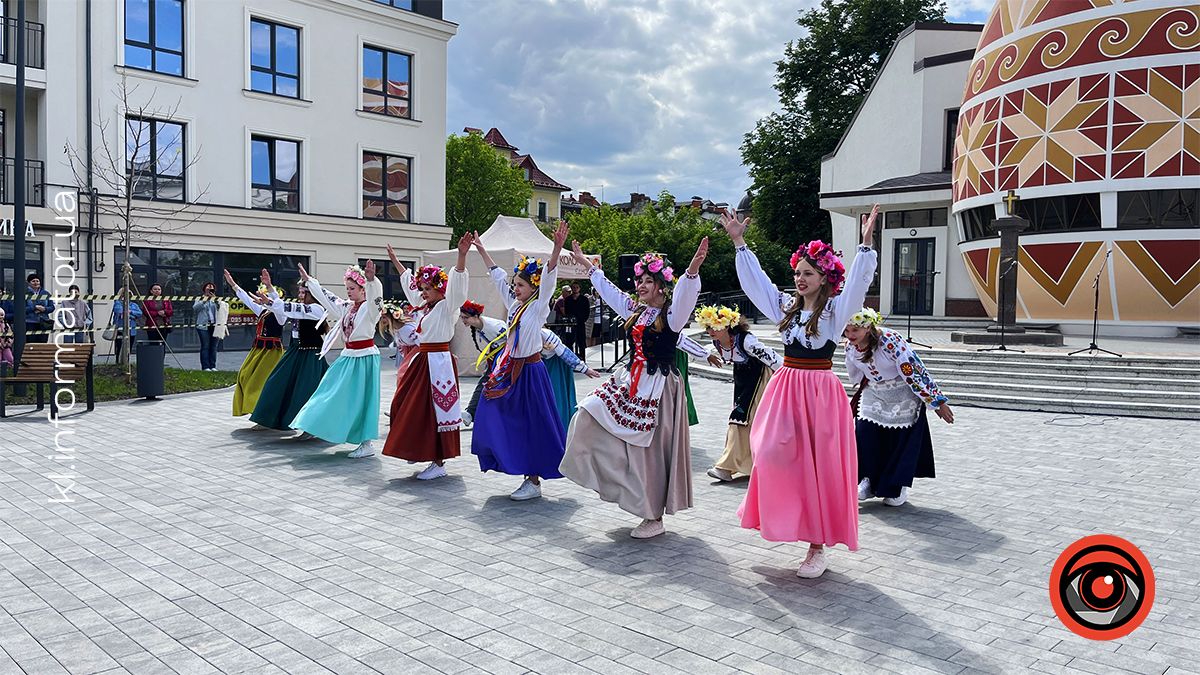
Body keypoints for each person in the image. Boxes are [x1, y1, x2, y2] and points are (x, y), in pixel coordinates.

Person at [721, 205, 878, 578]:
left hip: (821, 393)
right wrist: (739, 242)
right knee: (771, 452)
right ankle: (780, 516)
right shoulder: (785, 309)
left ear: (825, 277)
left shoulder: (837, 311)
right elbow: (756, 283)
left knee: (820, 468)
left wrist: (866, 244)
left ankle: (816, 547)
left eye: (807, 273)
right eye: (797, 273)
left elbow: (858, 285)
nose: (800, 279)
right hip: (787, 388)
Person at [560, 240, 708, 538]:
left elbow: (685, 297)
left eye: (647, 281)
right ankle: (618, 484)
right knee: (587, 414)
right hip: (631, 380)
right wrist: (586, 264)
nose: (640, 285)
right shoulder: (635, 309)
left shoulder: (672, 314)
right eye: (639, 280)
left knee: (648, 453)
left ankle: (653, 515)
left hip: (659, 387)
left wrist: (693, 269)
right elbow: (609, 290)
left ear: (661, 287)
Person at [469, 223, 571, 500]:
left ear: (533, 288)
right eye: (515, 285)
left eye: (521, 285)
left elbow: (549, 278)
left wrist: (557, 249)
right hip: (510, 369)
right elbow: (498, 278)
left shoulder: (538, 307)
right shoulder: (514, 305)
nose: (515, 289)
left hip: (531, 372)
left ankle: (534, 480)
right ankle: (504, 458)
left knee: (533, 424)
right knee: (491, 411)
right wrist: (482, 251)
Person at [381, 236, 472, 479]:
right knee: (406, 405)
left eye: (428, 289)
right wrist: (395, 262)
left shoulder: (447, 306)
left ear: (439, 289)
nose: (423, 293)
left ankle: (439, 462)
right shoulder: (425, 306)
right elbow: (410, 286)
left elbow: (458, 288)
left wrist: (461, 256)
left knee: (434, 411)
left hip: (438, 362)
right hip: (422, 361)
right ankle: (417, 448)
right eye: (423, 289)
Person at [844, 307, 954, 507]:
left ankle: (897, 488)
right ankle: (866, 479)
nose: (850, 335)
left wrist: (936, 401)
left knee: (898, 440)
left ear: (867, 328)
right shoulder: (850, 347)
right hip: (874, 392)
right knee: (865, 433)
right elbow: (855, 373)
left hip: (902, 392)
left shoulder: (890, 340)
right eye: (847, 330)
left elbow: (913, 369)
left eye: (855, 331)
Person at [290, 260, 384, 457]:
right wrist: (310, 282)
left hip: (365, 357)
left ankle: (366, 443)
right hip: (348, 356)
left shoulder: (370, 309)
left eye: (352, 288)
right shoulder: (348, 307)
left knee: (363, 400)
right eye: (347, 288)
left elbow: (377, 299)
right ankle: (316, 423)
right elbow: (328, 298)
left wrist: (372, 280)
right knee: (328, 390)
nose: (348, 292)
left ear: (363, 289)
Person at [693, 305, 781, 482]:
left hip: (760, 381)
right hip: (742, 382)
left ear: (727, 325)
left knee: (740, 419)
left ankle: (726, 467)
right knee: (745, 421)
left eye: (715, 326)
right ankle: (752, 463)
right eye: (708, 326)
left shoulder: (746, 341)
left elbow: (774, 360)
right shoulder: (717, 343)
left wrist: (791, 380)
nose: (710, 330)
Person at [248, 278, 330, 433]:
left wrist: (271, 300)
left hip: (311, 354)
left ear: (312, 294)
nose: (299, 295)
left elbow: (291, 308)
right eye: (299, 292)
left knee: (307, 390)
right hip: (295, 351)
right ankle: (267, 418)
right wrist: (269, 291)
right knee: (275, 382)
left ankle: (310, 427)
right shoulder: (302, 307)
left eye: (302, 292)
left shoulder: (317, 309)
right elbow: (285, 310)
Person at [224, 269, 286, 419]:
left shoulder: (281, 314)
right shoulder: (263, 311)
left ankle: (263, 413)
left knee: (261, 383)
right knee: (244, 376)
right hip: (258, 350)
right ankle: (255, 409)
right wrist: (233, 284)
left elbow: (277, 303)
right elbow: (246, 298)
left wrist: (270, 287)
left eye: (265, 296)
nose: (262, 298)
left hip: (272, 353)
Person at [193, 282, 221, 371]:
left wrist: (215, 300)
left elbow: (221, 308)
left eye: (211, 288)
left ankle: (213, 365)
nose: (209, 290)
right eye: (208, 288)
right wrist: (205, 300)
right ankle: (205, 366)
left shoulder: (216, 299)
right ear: (204, 289)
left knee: (213, 346)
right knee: (205, 345)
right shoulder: (199, 298)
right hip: (203, 325)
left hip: (214, 325)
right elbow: (195, 308)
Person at [109, 290, 143, 360]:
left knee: (129, 347)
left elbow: (139, 313)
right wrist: (132, 315)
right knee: (119, 346)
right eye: (124, 294)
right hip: (120, 329)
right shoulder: (117, 303)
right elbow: (119, 311)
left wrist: (130, 312)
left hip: (131, 330)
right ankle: (118, 361)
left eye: (129, 295)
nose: (127, 296)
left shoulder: (134, 304)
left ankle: (127, 361)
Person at [563, 281, 590, 359]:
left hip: (580, 322)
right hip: (571, 323)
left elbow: (587, 311)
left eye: (577, 287)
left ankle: (583, 358)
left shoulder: (584, 299)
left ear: (579, 288)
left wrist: (583, 319)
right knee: (569, 341)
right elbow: (567, 311)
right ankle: (571, 359)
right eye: (573, 287)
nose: (575, 289)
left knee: (581, 341)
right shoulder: (568, 299)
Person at [25, 274, 54, 344]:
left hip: (44, 322)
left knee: (43, 344)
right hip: (30, 322)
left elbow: (52, 307)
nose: (36, 283)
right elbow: (21, 308)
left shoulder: (46, 293)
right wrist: (34, 308)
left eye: (37, 281)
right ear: (29, 283)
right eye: (33, 281)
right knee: (31, 343)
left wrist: (44, 309)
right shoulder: (25, 293)